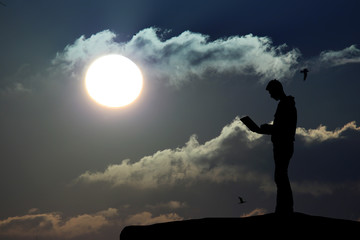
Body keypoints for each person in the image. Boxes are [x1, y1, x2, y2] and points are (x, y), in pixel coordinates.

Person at [259, 79, 297, 215]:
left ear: (277, 90)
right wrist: (266, 129)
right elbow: (280, 128)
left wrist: (269, 128)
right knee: (280, 176)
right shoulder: (285, 104)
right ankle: (283, 208)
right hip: (282, 144)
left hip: (284, 145)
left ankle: (285, 209)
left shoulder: (286, 104)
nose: (270, 96)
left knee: (281, 176)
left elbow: (283, 128)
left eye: (271, 92)